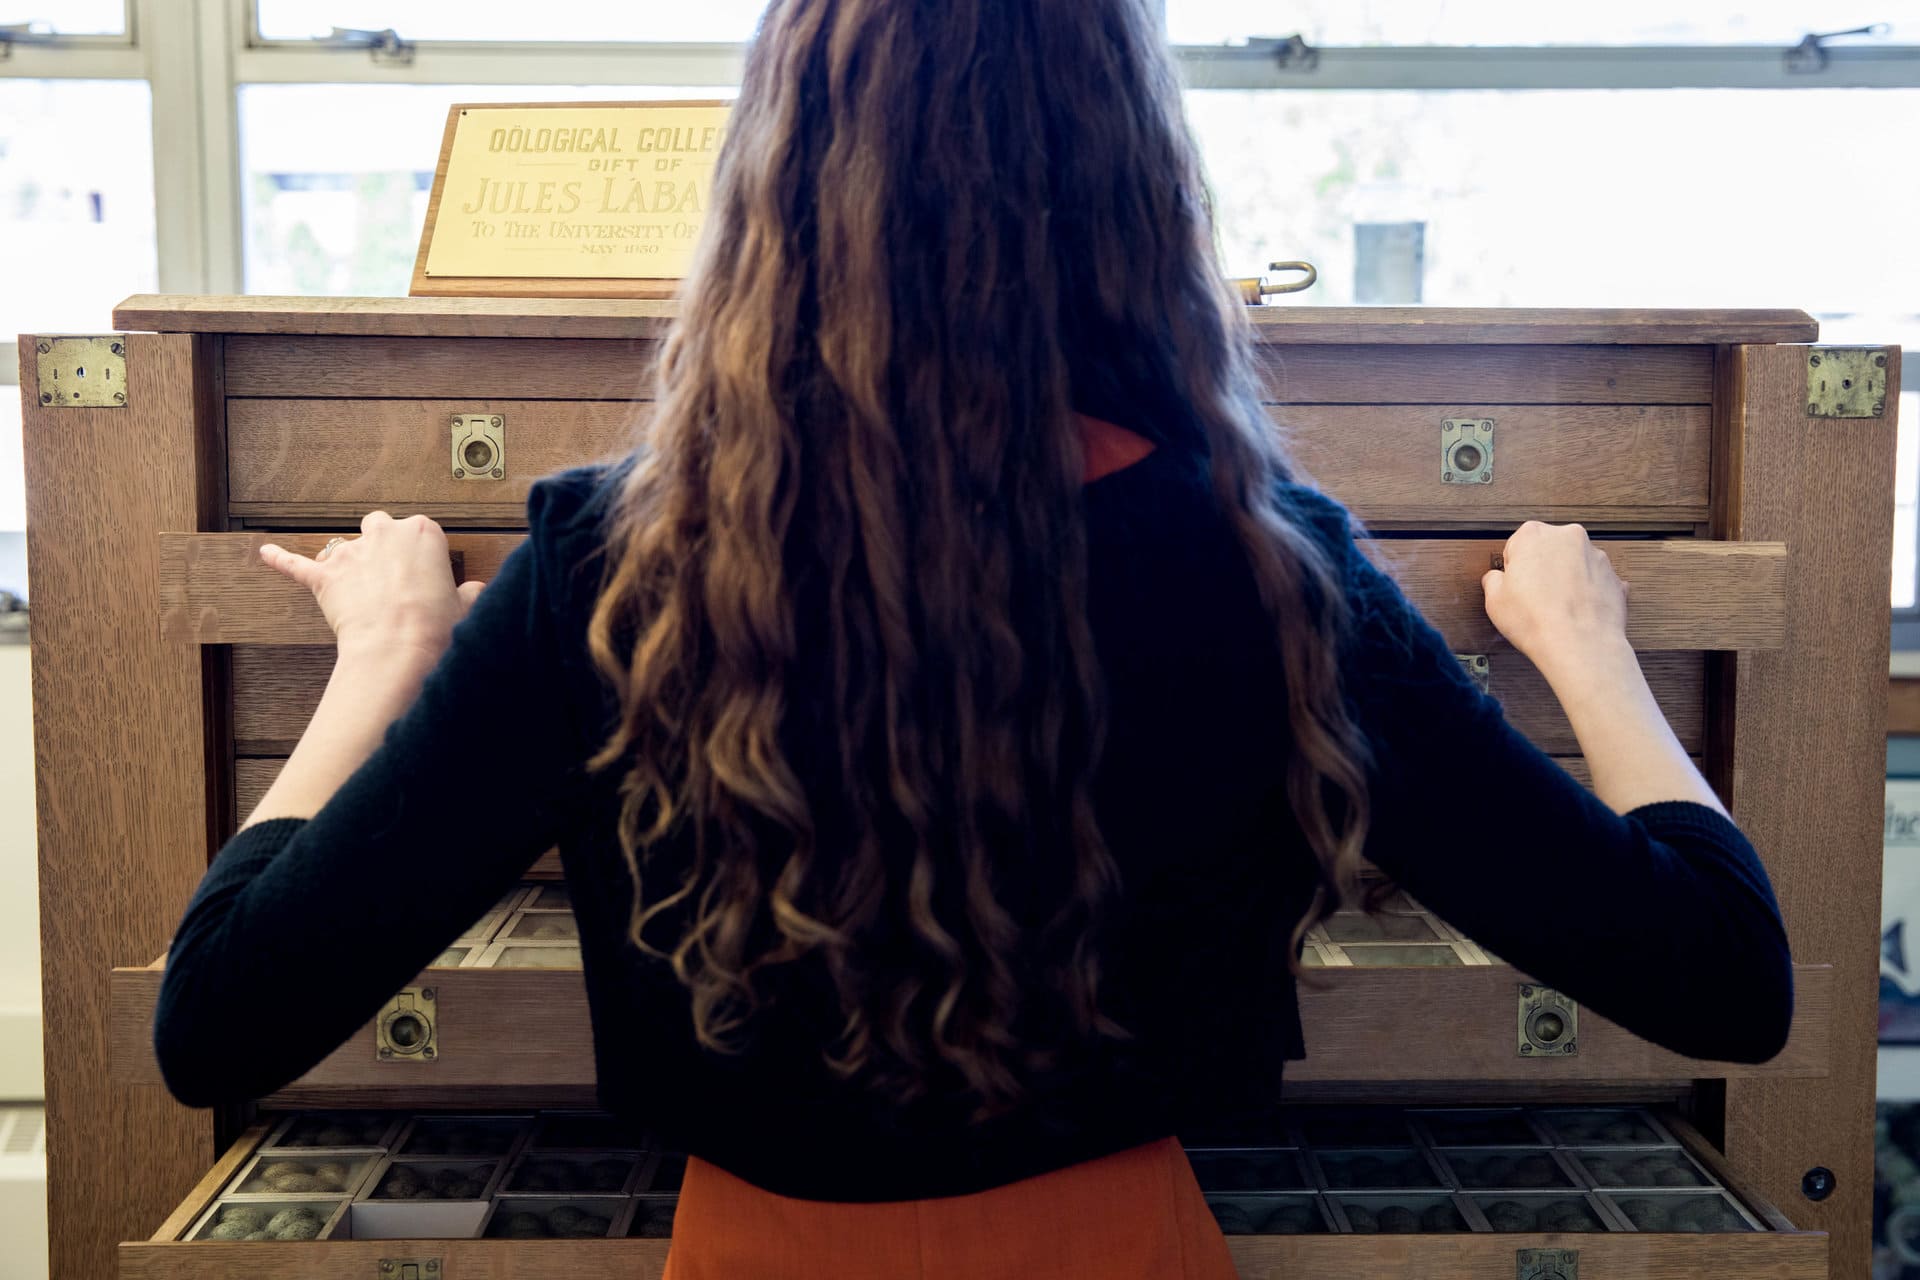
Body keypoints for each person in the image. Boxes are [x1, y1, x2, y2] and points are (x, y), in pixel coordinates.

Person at [153, 0, 1793, 1273]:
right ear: (1135, 184)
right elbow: (1726, 976)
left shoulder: (612, 565)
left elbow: (216, 1017)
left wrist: (378, 662)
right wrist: (1589, 655)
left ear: (775, 183)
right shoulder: (1267, 566)